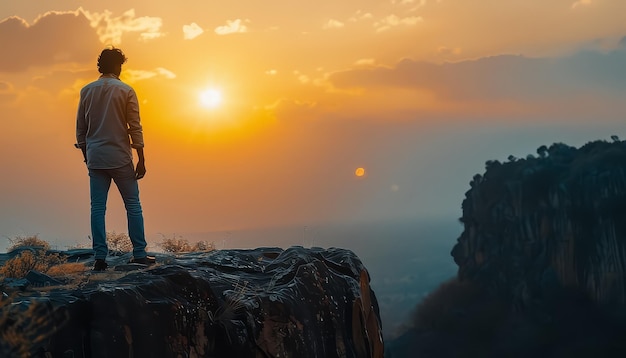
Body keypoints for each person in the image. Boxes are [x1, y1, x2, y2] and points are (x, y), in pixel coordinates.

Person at [75, 47, 155, 271]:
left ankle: (100, 257)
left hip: (96, 157)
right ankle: (139, 253)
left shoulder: (86, 91)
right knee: (133, 205)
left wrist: (86, 156)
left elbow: (81, 130)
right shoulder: (126, 90)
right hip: (120, 157)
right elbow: (134, 127)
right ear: (119, 65)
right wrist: (141, 158)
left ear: (100, 66)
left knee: (97, 208)